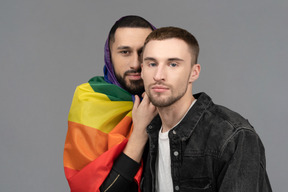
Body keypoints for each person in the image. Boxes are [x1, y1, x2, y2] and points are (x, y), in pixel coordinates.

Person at [138, 27, 273, 192]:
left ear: (194, 73)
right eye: (152, 64)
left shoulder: (233, 136)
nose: (158, 75)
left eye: (173, 64)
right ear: (142, 70)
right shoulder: (147, 133)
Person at [63, 15, 157, 192]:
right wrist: (140, 131)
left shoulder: (170, 103)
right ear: (109, 56)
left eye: (143, 52)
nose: (136, 63)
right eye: (125, 52)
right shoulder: (91, 100)